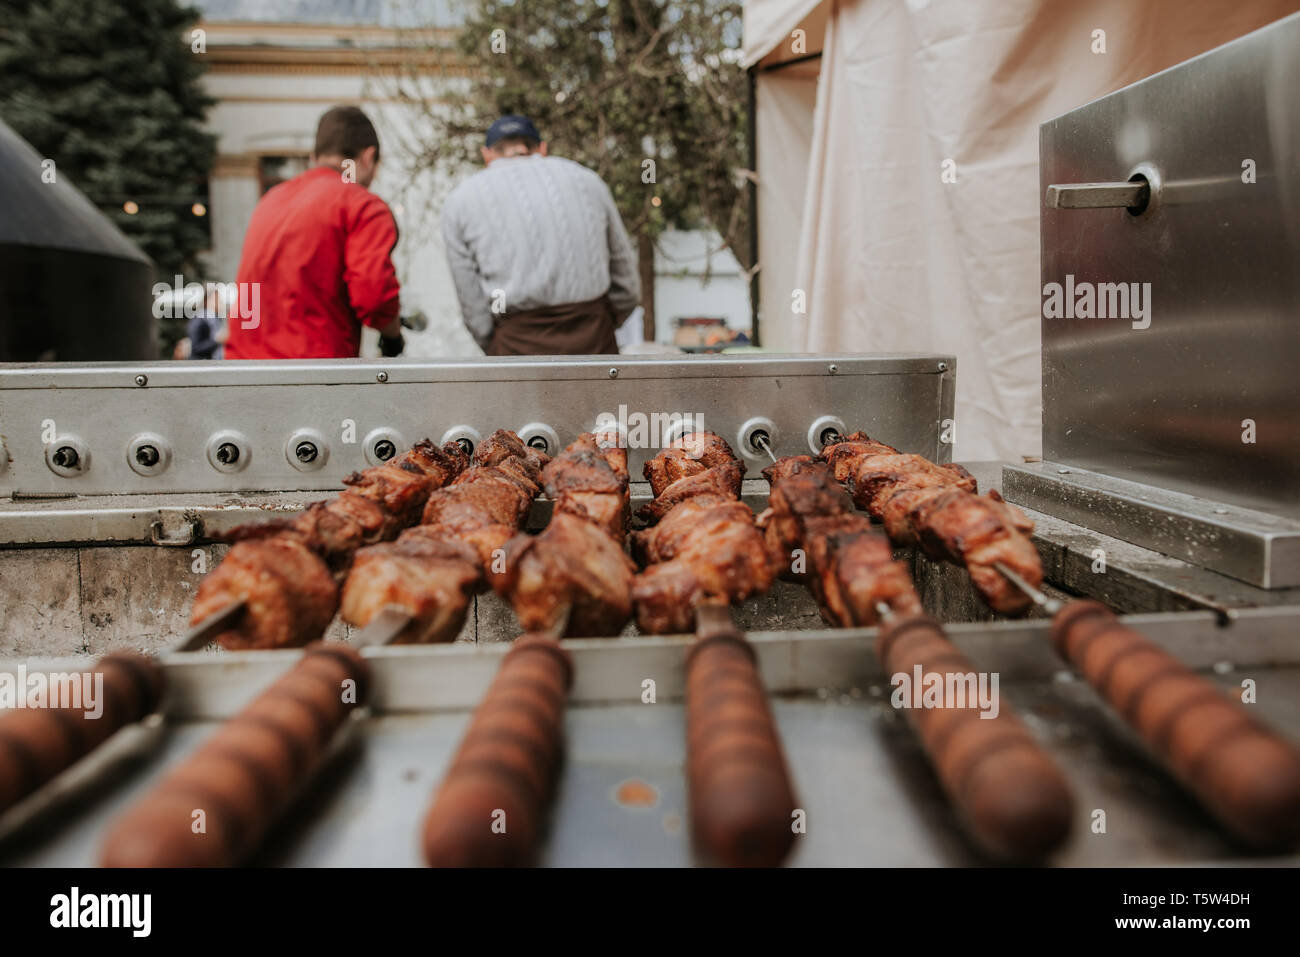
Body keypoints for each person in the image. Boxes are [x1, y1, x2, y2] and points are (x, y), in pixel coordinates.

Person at [441, 115, 640, 355]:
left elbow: (471, 300)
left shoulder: (460, 200)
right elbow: (626, 281)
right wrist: (606, 321)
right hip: (594, 339)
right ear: (542, 149)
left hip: (516, 346)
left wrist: (493, 344)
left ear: (487, 155)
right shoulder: (588, 181)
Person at [224, 106, 404, 359]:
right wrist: (393, 336)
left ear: (314, 156)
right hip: (313, 371)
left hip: (245, 369)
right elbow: (374, 297)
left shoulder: (270, 200)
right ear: (368, 156)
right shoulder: (363, 206)